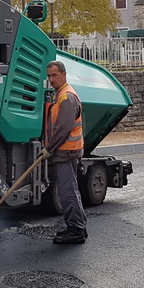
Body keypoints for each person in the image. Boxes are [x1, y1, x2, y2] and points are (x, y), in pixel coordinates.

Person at [43, 60, 88, 244]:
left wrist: (49, 149)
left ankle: (76, 229)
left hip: (66, 151)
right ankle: (78, 225)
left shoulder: (67, 97)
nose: (51, 79)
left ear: (64, 74)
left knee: (67, 191)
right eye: (49, 76)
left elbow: (64, 128)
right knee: (70, 190)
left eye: (54, 75)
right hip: (65, 151)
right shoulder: (59, 94)